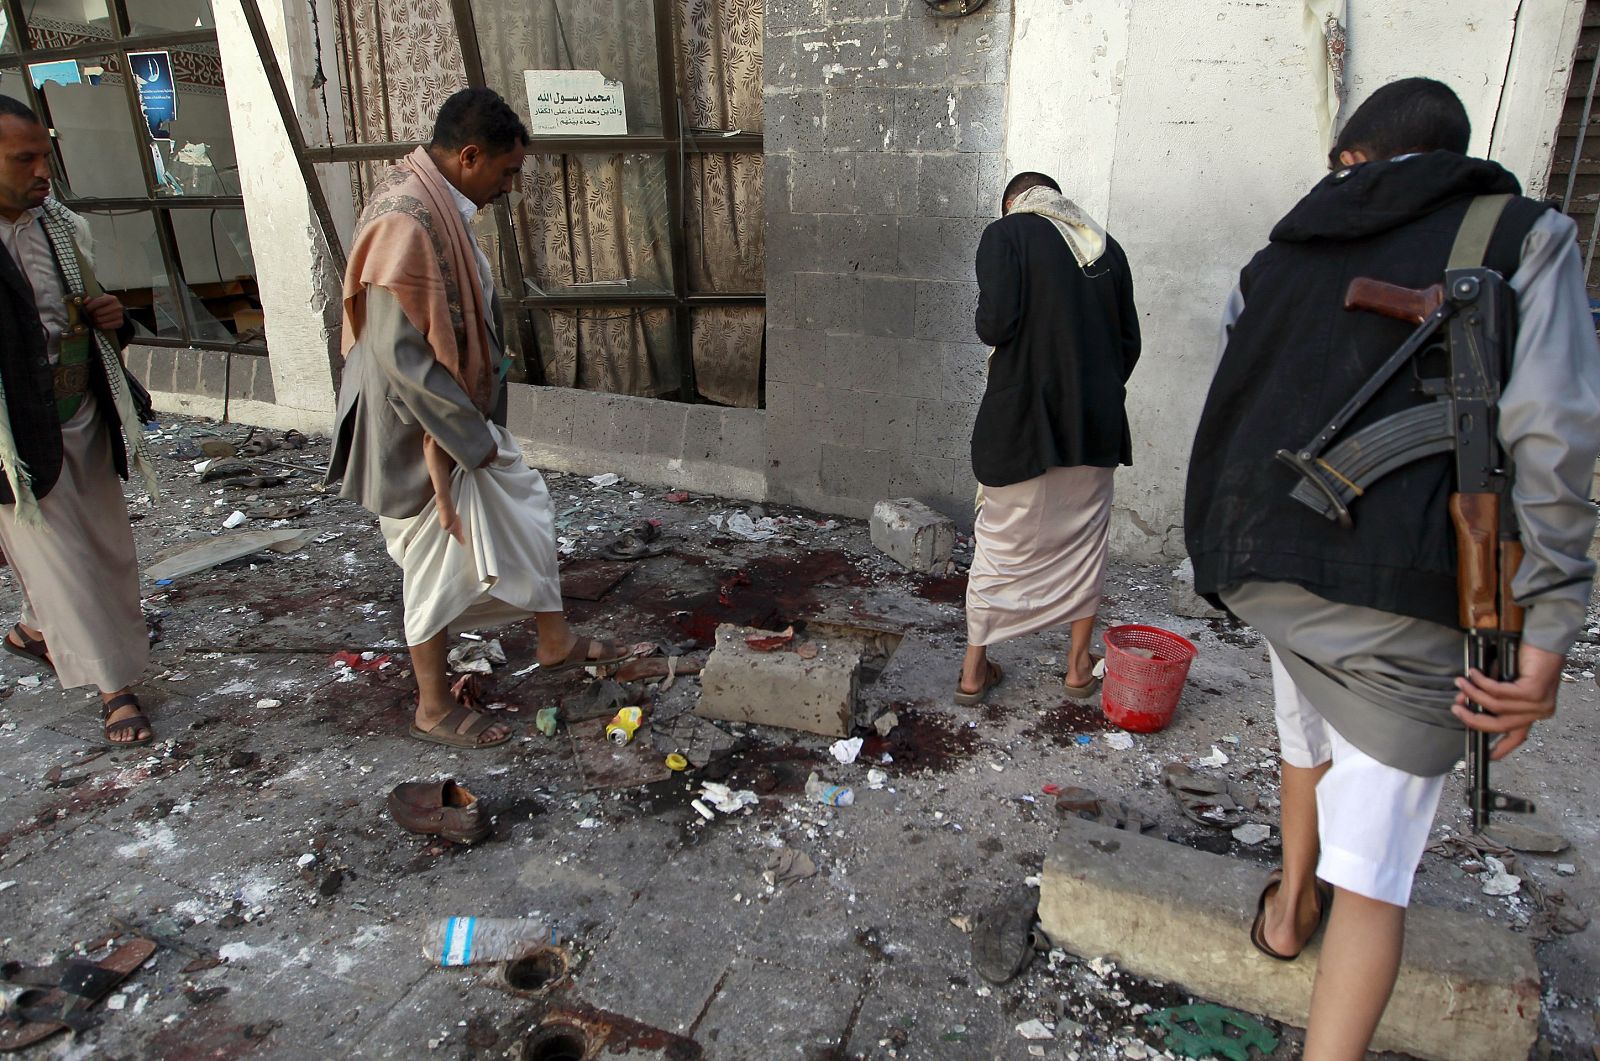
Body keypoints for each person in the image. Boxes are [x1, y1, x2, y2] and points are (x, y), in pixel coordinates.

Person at [1185, 77, 1600, 1058]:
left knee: (1303, 720)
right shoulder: (1524, 236)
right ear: (1452, 153)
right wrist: (1546, 624)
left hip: (1261, 555)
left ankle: (1288, 910)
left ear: (1352, 160)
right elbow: (1552, 435)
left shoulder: (1277, 253)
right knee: (1373, 874)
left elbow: (1238, 390)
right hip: (1408, 583)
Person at [327, 87, 628, 750]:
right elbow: (400, 356)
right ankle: (433, 706)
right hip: (419, 434)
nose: (509, 189)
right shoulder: (405, 218)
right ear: (469, 157)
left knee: (528, 508)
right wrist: (467, 442)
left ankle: (556, 640)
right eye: (507, 172)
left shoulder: (435, 203)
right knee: (437, 561)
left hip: (460, 422)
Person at [0, 96, 157, 745]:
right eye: (24, 159)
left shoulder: (57, 227)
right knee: (57, 556)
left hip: (83, 409)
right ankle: (112, 686)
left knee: (107, 548)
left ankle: (35, 631)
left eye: (46, 155)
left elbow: (75, 311)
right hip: (13, 434)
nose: (43, 171)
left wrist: (108, 318)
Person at [956, 172, 1140, 705]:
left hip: (1024, 424)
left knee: (1001, 544)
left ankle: (974, 672)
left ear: (1013, 203)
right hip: (1095, 425)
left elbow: (995, 325)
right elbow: (1129, 342)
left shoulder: (1006, 234)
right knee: (1083, 544)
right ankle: (1079, 669)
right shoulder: (1106, 247)